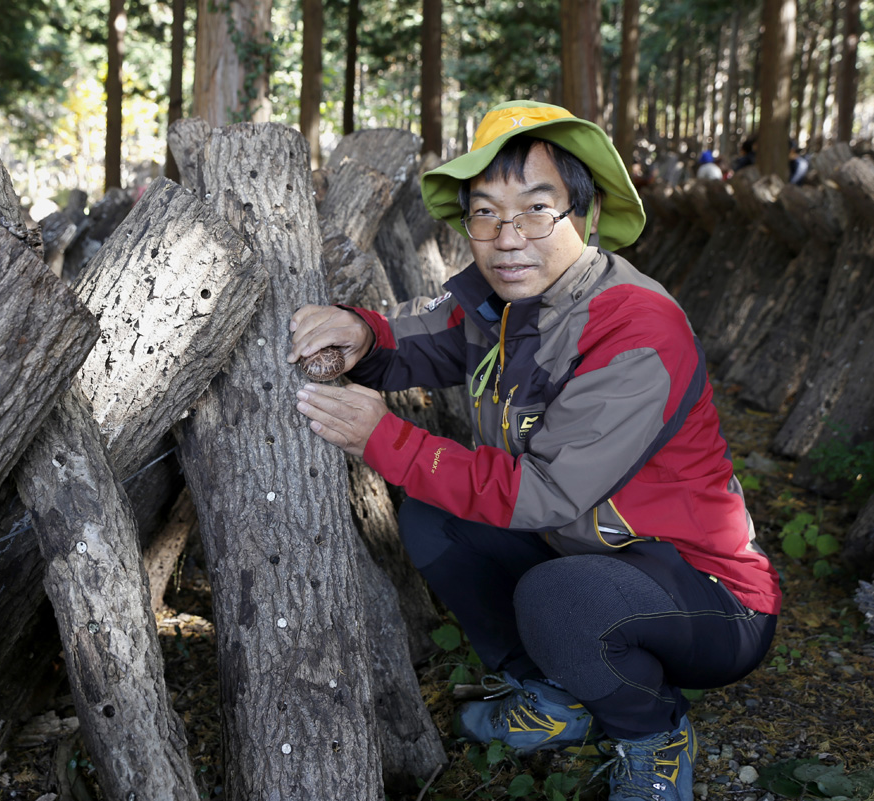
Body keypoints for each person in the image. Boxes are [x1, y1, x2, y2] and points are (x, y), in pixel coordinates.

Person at [287, 100, 780, 801]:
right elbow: (423, 334)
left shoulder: (639, 328)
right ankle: (558, 694)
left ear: (586, 213)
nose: (507, 236)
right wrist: (360, 333)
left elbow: (544, 491)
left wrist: (384, 438)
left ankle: (654, 733)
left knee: (561, 598)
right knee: (434, 516)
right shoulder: (506, 306)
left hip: (710, 595)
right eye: (484, 212)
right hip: (594, 553)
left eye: (536, 209)